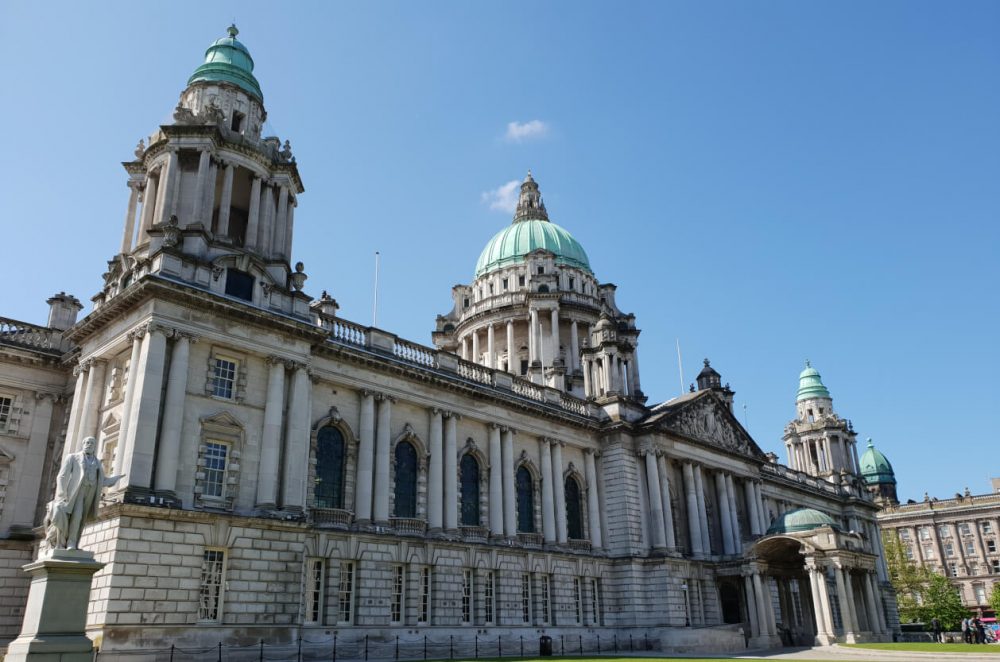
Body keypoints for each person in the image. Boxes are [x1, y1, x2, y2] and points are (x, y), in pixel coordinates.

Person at [45, 436, 124, 550]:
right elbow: (62, 476)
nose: (89, 444)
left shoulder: (97, 462)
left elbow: (102, 481)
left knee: (81, 519)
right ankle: (70, 542)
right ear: (83, 444)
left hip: (89, 493)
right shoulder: (72, 457)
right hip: (75, 492)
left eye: (92, 443)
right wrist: (62, 494)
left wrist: (115, 478)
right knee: (77, 516)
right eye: (87, 442)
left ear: (95, 446)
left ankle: (74, 542)